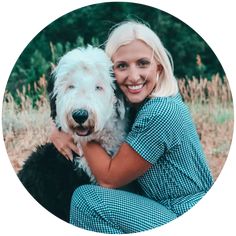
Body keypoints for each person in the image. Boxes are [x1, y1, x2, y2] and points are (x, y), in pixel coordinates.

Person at [50, 21, 214, 234]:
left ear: (159, 67)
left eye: (143, 63)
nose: (133, 76)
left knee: (87, 199)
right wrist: (56, 126)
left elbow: (109, 179)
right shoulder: (142, 103)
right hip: (163, 208)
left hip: (182, 212)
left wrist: (76, 133)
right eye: (122, 66)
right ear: (111, 73)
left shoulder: (160, 112)